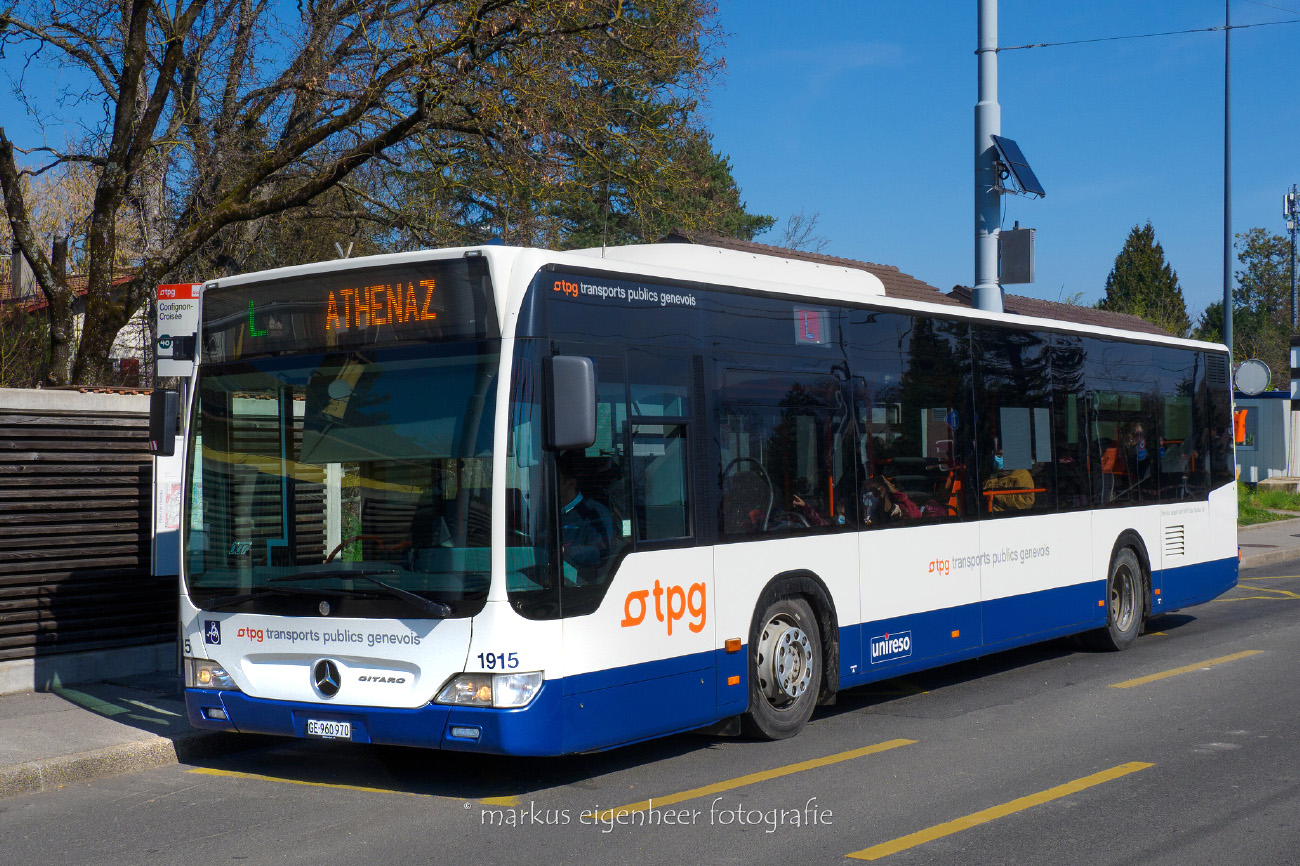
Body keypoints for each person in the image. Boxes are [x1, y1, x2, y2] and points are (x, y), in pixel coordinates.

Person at [557, 453, 615, 585]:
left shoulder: (594, 513)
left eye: (554, 481)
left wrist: (564, 551)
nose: (544, 486)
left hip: (582, 584)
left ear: (570, 484)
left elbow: (599, 552)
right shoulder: (549, 511)